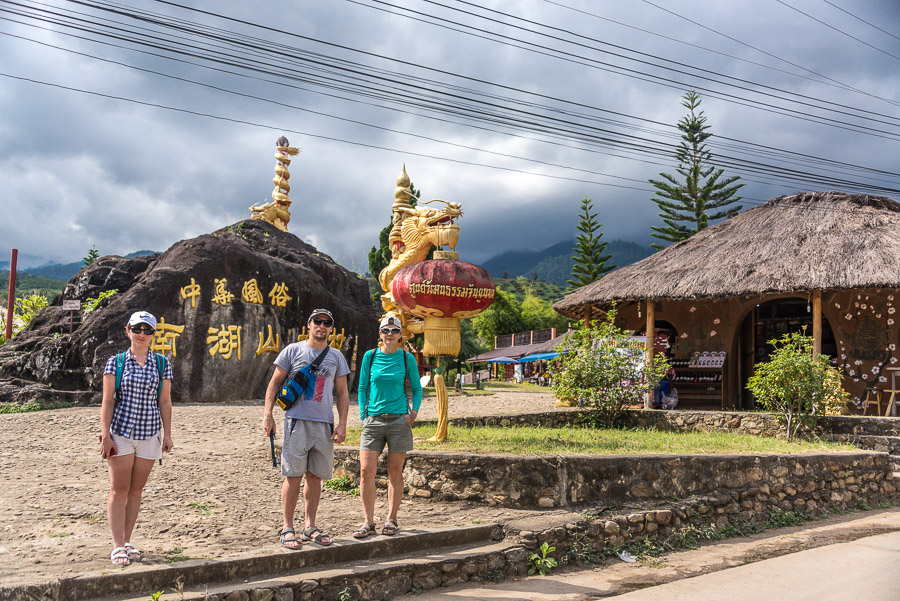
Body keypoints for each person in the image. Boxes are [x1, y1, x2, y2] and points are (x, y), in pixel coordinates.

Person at [263, 309, 349, 548]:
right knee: (293, 476)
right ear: (309, 325)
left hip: (324, 424)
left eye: (327, 323)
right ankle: (287, 527)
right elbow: (274, 382)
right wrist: (267, 414)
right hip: (297, 421)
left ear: (331, 328)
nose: (322, 326)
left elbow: (342, 392)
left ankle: (309, 526)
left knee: (315, 477)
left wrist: (342, 423)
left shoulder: (336, 357)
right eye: (317, 322)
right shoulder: (293, 350)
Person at [100, 311, 174, 566]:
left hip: (149, 434)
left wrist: (168, 434)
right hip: (120, 433)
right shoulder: (116, 362)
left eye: (148, 330)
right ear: (128, 330)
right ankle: (117, 544)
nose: (142, 334)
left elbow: (164, 400)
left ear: (153, 334)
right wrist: (106, 435)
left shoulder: (162, 363)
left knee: (135, 491)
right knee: (118, 490)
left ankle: (127, 540)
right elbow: (107, 401)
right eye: (137, 329)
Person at [353, 315, 423, 538]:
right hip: (373, 420)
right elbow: (362, 386)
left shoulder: (406, 358)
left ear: (400, 334)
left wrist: (413, 414)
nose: (390, 334)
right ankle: (368, 521)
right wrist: (363, 414)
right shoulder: (370, 357)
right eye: (386, 330)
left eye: (394, 330)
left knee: (395, 471)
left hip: (398, 421)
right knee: (366, 471)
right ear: (380, 334)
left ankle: (391, 519)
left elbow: (417, 388)